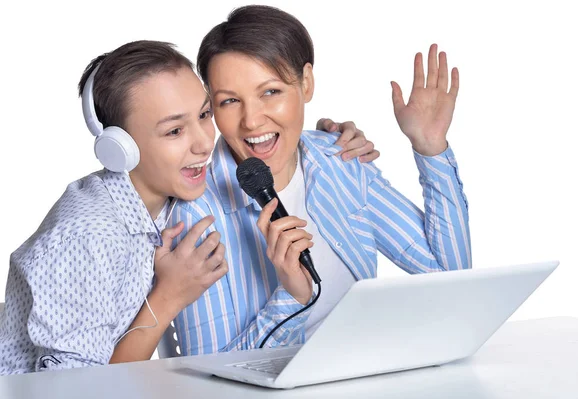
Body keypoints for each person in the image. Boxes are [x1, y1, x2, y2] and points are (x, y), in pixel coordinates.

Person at [0, 39, 376, 375]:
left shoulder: (164, 196)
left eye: (204, 115)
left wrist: (327, 139)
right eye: (174, 131)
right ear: (120, 148)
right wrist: (169, 296)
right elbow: (74, 391)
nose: (202, 143)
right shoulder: (86, 238)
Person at [169, 5, 472, 356]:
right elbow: (206, 380)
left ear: (306, 83)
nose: (251, 121)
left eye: (271, 92)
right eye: (230, 101)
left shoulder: (341, 161)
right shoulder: (197, 215)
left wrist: (430, 147)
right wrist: (293, 298)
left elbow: (452, 278)